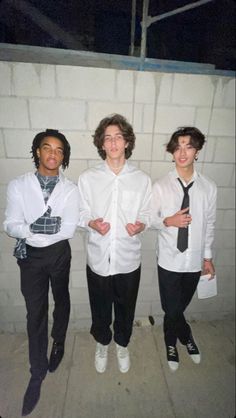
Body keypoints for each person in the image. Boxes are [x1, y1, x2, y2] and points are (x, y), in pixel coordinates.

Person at [4, 129, 79, 415]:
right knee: (35, 312)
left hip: (59, 253)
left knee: (61, 300)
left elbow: (69, 228)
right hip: (31, 258)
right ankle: (37, 373)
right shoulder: (18, 185)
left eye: (59, 150)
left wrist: (32, 228)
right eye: (47, 148)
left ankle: (58, 342)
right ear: (37, 151)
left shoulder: (70, 189)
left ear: (63, 156)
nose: (53, 154)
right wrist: (36, 229)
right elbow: (10, 224)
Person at [78, 114, 151, 374]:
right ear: (101, 144)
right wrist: (91, 223)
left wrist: (140, 225)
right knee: (99, 307)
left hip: (129, 258)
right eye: (107, 138)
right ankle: (102, 342)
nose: (113, 142)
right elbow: (80, 213)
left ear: (127, 142)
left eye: (118, 137)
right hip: (98, 258)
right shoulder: (88, 178)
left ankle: (122, 343)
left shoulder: (142, 179)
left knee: (125, 307)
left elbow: (147, 213)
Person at [151, 127, 217, 372]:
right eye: (178, 147)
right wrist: (169, 221)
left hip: (194, 261)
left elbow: (209, 224)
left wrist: (207, 257)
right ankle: (180, 338)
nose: (182, 152)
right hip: (169, 259)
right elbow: (150, 219)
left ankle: (175, 333)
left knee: (178, 307)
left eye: (188, 146)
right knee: (171, 307)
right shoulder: (160, 185)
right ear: (172, 152)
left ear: (197, 151)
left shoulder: (209, 188)